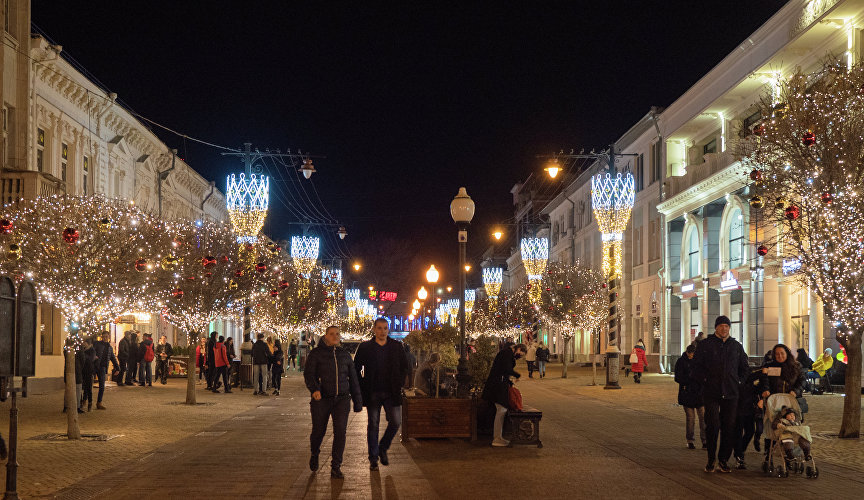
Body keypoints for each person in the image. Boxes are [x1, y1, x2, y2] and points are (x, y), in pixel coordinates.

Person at [691, 315, 749, 473]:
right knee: (713, 426)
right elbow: (695, 367)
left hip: (731, 393)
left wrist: (738, 382)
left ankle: (723, 459)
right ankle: (711, 459)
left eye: (727, 326)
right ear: (716, 327)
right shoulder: (706, 345)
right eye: (721, 325)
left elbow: (744, 367)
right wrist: (704, 380)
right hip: (711, 392)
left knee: (729, 427)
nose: (724, 328)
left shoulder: (736, 346)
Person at [305, 326, 363, 479]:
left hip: (342, 400)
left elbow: (354, 379)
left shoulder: (344, 355)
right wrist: (314, 390)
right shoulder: (316, 354)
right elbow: (309, 374)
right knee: (318, 430)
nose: (335, 336)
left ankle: (336, 466)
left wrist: (358, 401)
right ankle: (315, 452)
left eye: (337, 334)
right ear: (326, 336)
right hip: (322, 399)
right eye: (332, 334)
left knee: (340, 432)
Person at [353, 318, 411, 470]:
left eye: (385, 328)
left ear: (388, 329)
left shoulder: (396, 346)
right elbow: (357, 368)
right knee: (373, 424)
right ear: (374, 329)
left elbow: (405, 366)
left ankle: (383, 447)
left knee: (396, 421)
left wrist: (399, 382)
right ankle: (373, 458)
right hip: (372, 391)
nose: (382, 331)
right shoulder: (366, 347)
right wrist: (362, 382)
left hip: (391, 391)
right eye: (379, 328)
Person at [482, 342, 528, 447]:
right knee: (501, 410)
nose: (519, 356)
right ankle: (497, 438)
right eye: (521, 354)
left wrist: (510, 382)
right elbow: (506, 369)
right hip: (497, 387)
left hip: (498, 385)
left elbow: (503, 371)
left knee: (501, 410)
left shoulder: (507, 353)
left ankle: (498, 437)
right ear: (519, 348)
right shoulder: (507, 354)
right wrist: (517, 375)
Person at [733, 366, 768, 469]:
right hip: (737, 408)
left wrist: (764, 377)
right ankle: (739, 456)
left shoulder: (750, 376)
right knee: (738, 433)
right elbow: (747, 380)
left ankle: (740, 451)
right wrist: (762, 374)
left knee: (750, 431)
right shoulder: (737, 374)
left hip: (749, 408)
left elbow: (761, 387)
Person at [674, 344, 706, 449]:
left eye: (694, 354)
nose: (692, 356)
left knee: (703, 418)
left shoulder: (700, 362)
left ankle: (705, 440)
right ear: (687, 352)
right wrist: (689, 379)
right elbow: (678, 377)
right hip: (687, 393)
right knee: (690, 418)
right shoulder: (681, 361)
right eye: (691, 354)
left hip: (699, 393)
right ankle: (690, 440)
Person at [93, 332, 119, 410]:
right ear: (101, 337)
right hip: (94, 366)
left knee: (102, 386)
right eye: (103, 336)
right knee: (88, 385)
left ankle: (99, 402)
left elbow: (113, 358)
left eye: (106, 337)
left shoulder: (109, 347)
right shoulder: (97, 344)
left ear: (108, 337)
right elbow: (92, 353)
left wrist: (118, 368)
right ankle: (85, 400)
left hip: (103, 367)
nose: (105, 338)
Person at [78, 338, 97, 412]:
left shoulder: (92, 350)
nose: (83, 343)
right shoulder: (83, 350)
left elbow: (90, 359)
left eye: (84, 342)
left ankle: (90, 403)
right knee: (83, 387)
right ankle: (83, 401)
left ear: (87, 343)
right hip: (83, 370)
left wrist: (84, 355)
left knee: (88, 387)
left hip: (89, 370)